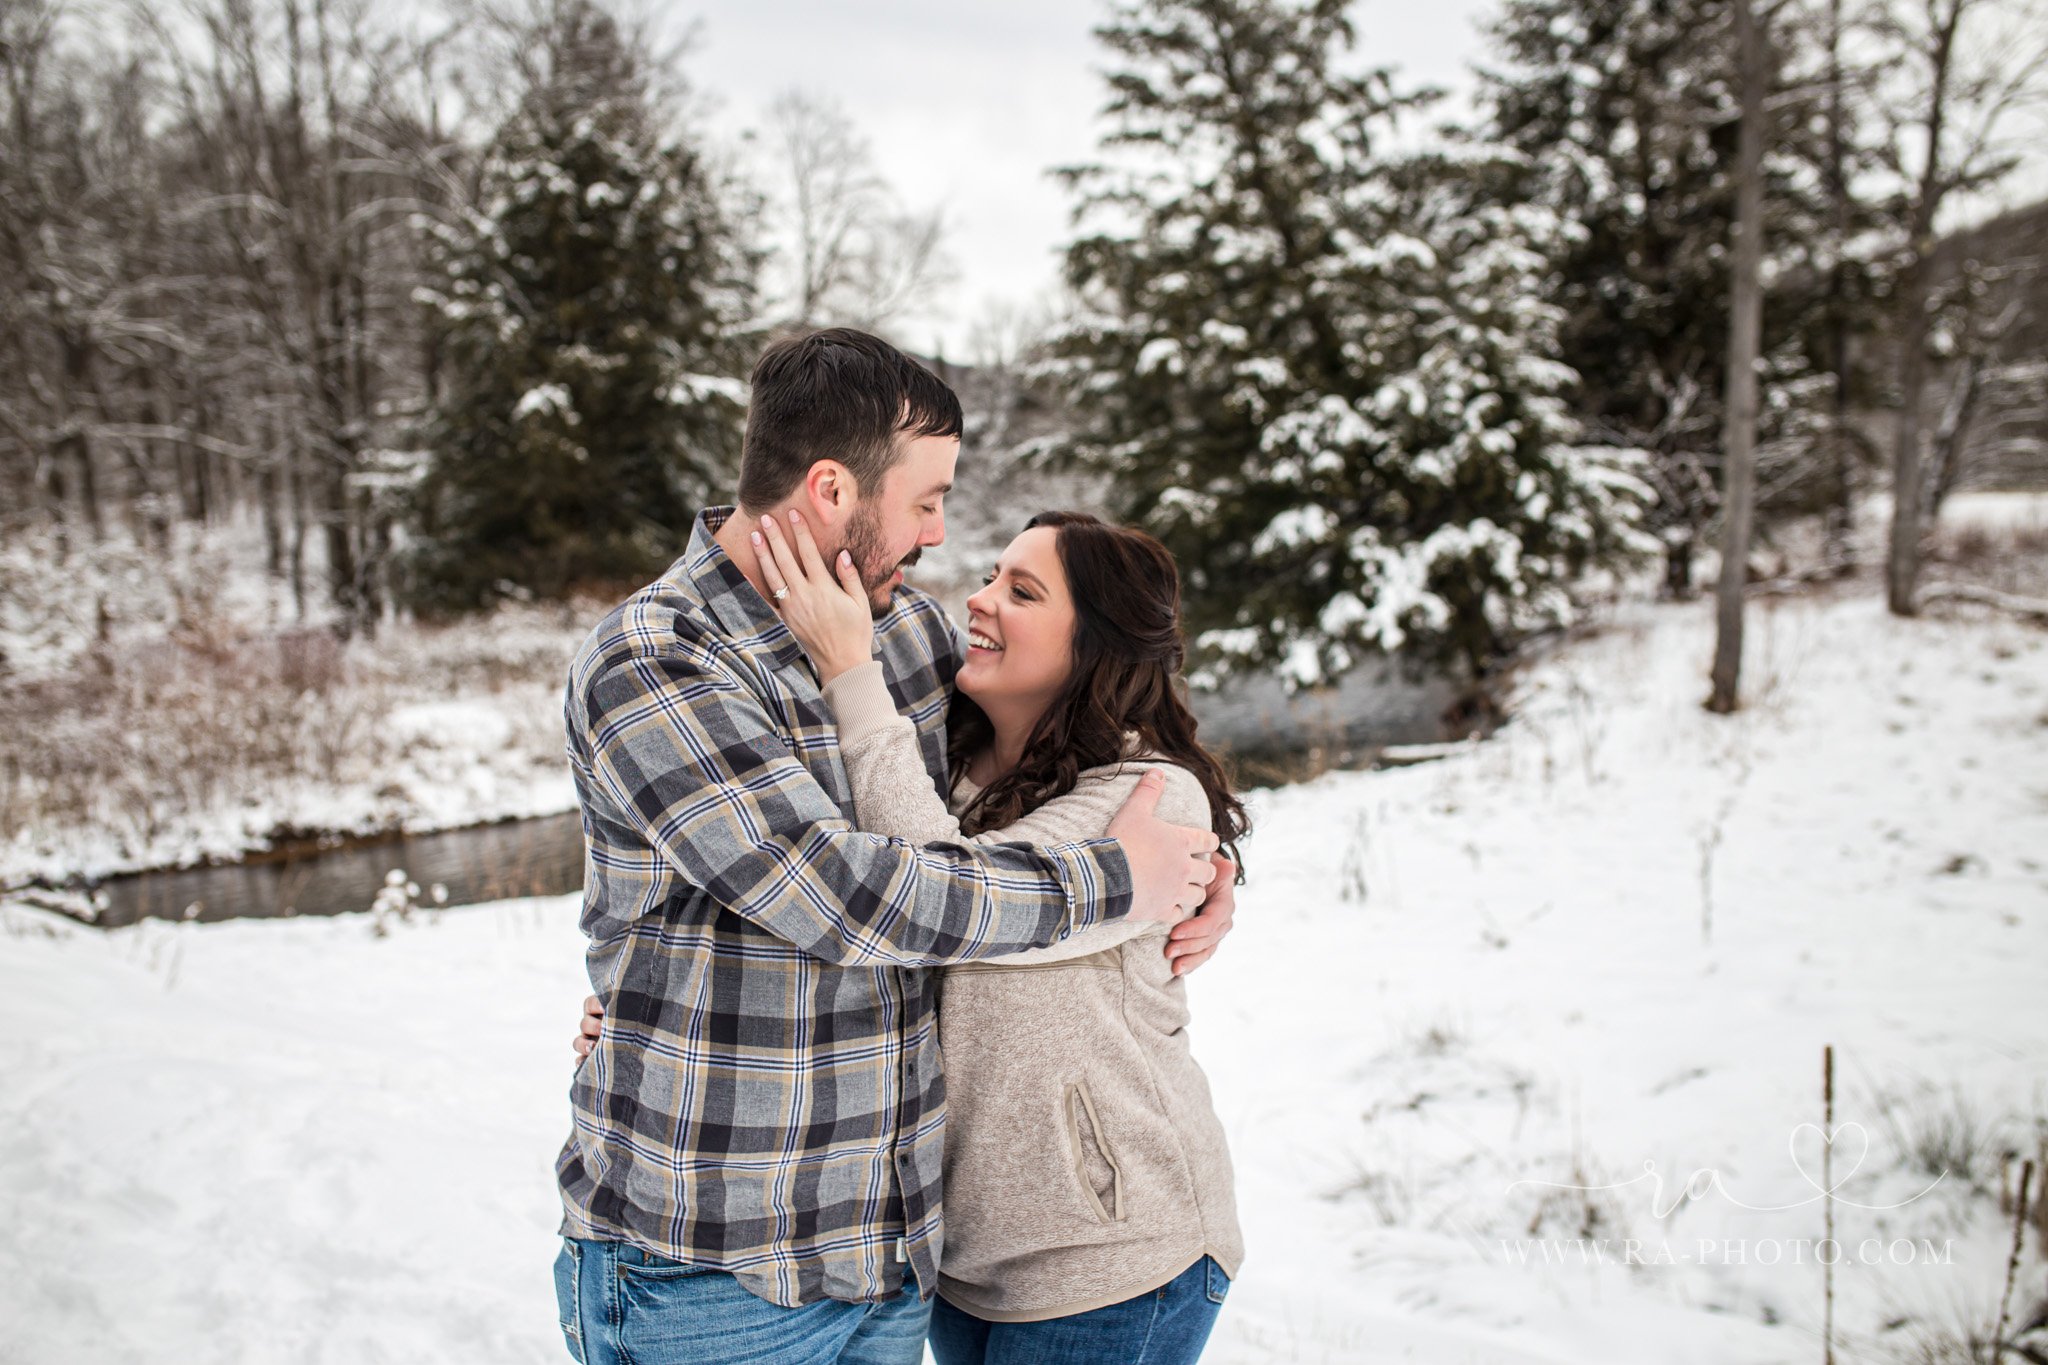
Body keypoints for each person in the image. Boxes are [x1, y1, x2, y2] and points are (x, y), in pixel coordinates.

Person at [551, 328, 1235, 1365]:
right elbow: (845, 897)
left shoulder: (905, 637)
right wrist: (1114, 882)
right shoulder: (657, 659)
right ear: (831, 490)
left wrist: (1199, 869)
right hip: (719, 1270)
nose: (937, 534)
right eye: (926, 500)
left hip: (891, 1258)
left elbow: (1084, 720)